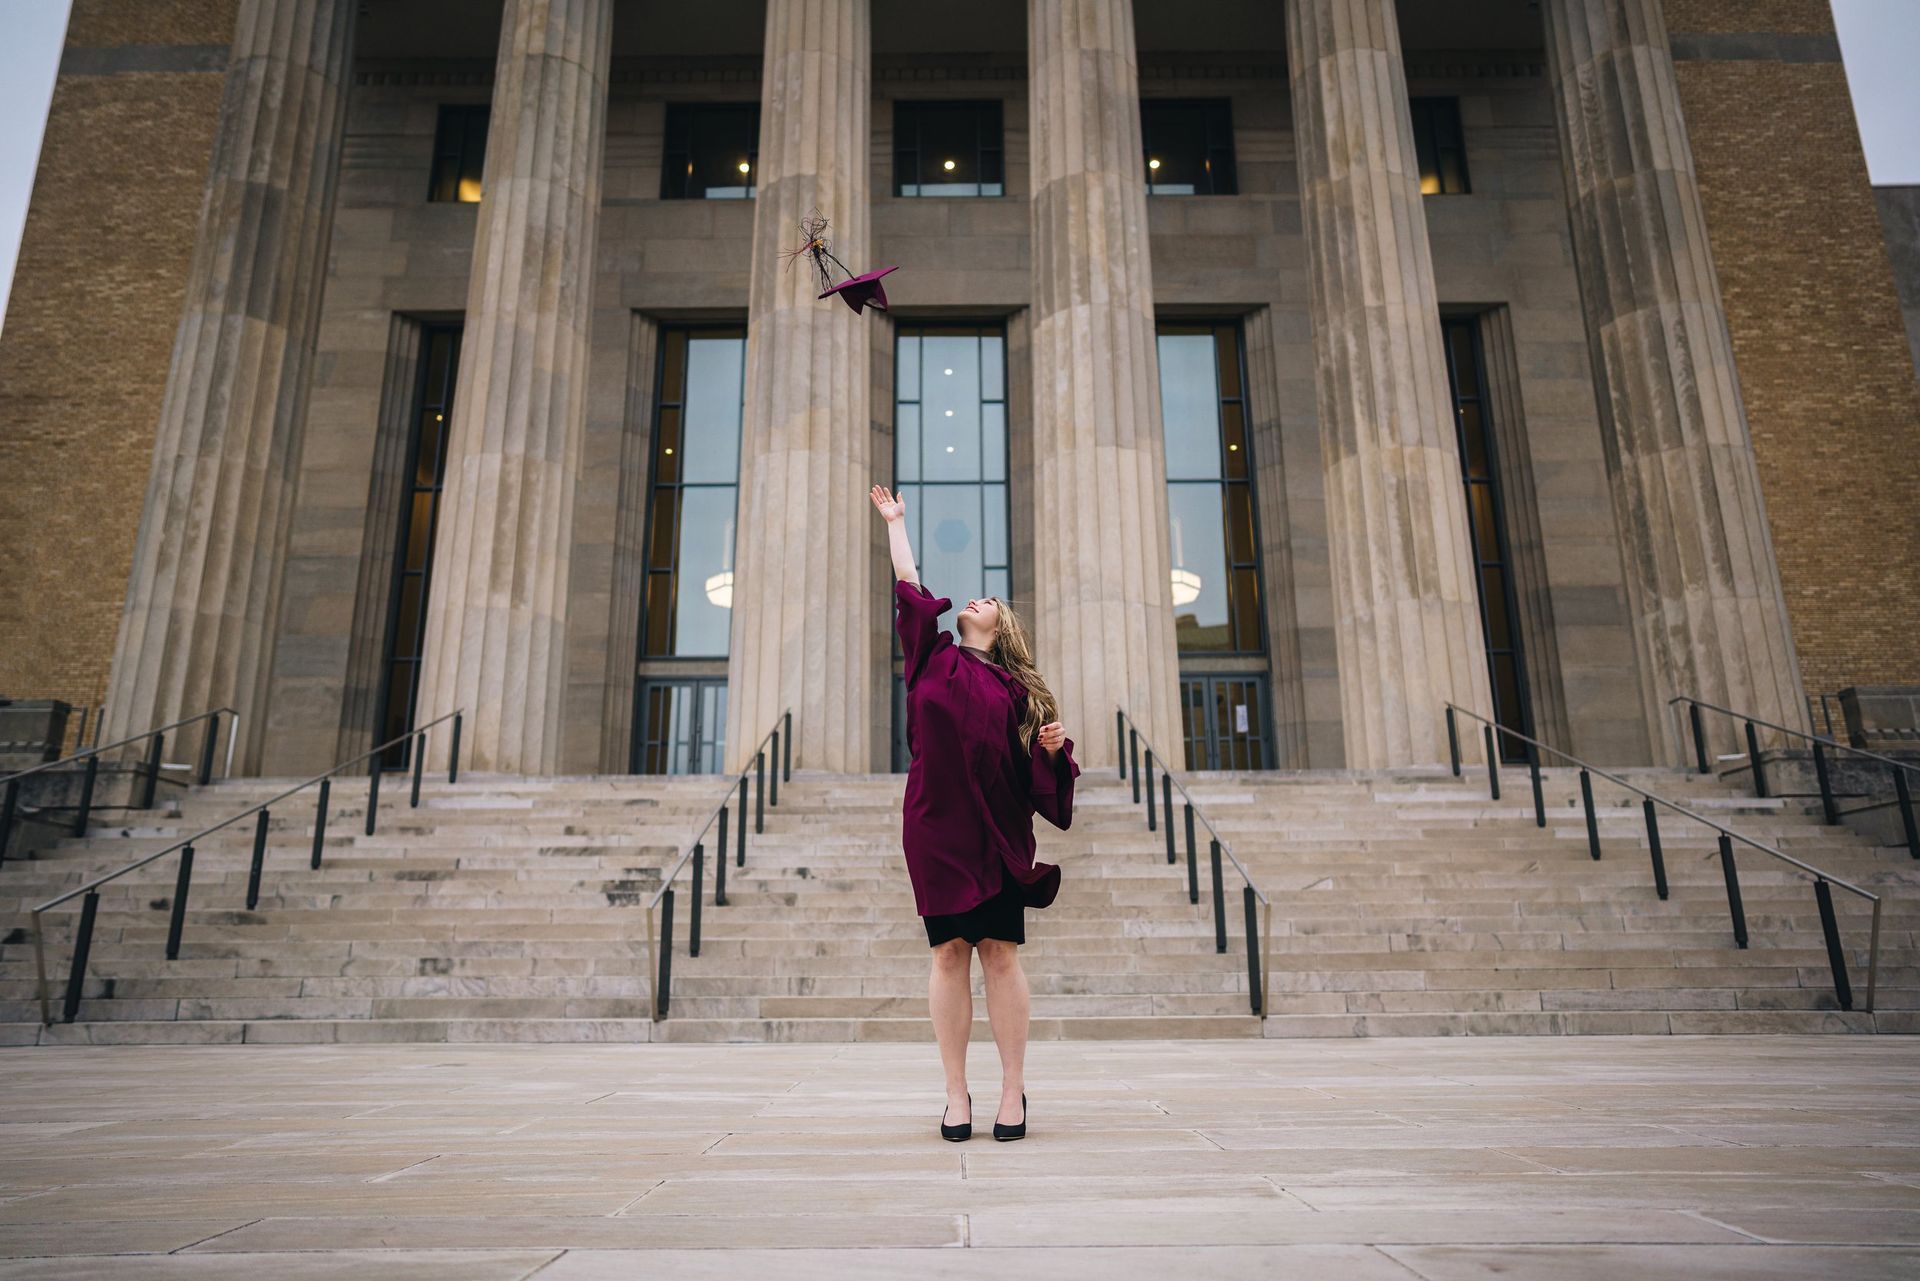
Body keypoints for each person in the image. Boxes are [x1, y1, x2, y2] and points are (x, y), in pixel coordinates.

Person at [869, 483, 1079, 1144]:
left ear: (1002, 626)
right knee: (947, 952)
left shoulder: (1018, 693)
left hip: (995, 833)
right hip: (936, 827)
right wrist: (897, 524)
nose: (975, 599)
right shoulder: (930, 658)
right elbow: (908, 585)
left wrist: (1050, 748)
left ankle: (1012, 1087)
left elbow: (1039, 782)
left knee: (1000, 953)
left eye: (989, 601)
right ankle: (955, 1093)